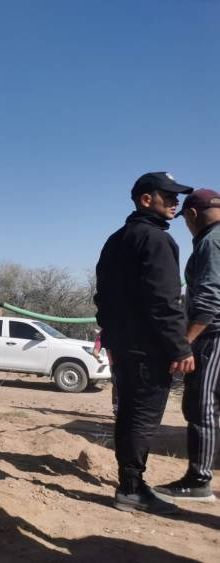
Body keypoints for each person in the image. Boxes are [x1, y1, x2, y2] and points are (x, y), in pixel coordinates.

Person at [94, 171, 195, 515]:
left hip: (123, 345)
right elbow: (164, 300)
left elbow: (102, 297)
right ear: (145, 199)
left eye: (176, 197)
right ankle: (132, 489)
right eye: (168, 196)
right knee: (143, 418)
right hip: (148, 348)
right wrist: (180, 346)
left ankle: (130, 482)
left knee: (130, 414)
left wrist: (108, 334)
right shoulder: (157, 241)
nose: (175, 202)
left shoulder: (115, 239)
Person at [155, 189, 220, 503]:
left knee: (201, 407)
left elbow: (209, 299)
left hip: (212, 337)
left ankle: (198, 480)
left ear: (192, 215)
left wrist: (186, 343)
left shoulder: (211, 242)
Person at [93, 330, 118, 415]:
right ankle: (116, 408)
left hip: (125, 364)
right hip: (115, 365)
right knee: (117, 386)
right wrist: (97, 356)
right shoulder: (103, 333)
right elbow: (96, 350)